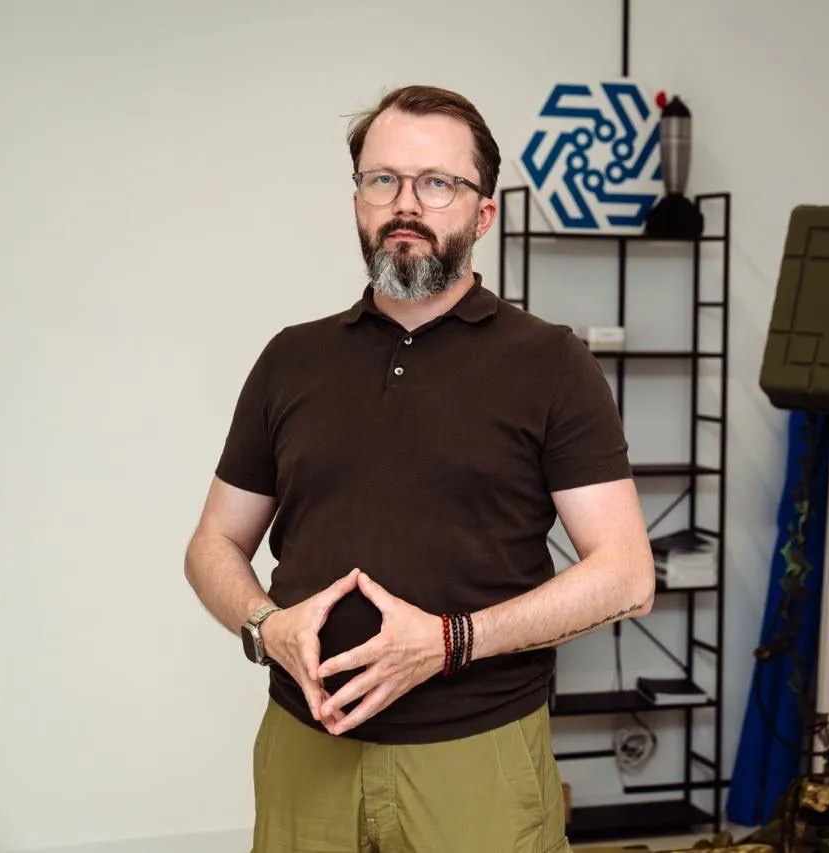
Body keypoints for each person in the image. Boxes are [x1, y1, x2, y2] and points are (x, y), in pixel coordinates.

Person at [183, 83, 656, 853]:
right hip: (306, 747)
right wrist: (268, 625)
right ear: (358, 201)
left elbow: (627, 575)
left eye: (437, 182)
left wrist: (451, 640)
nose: (406, 204)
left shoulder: (550, 363)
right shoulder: (290, 359)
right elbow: (212, 544)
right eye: (383, 180)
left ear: (483, 213)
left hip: (477, 758)